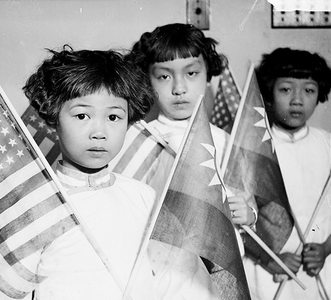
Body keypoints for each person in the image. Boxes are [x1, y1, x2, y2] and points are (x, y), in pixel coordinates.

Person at [116, 23, 257, 299]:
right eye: (164, 77)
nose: (179, 88)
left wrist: (248, 213)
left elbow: (248, 201)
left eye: (191, 73)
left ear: (207, 76)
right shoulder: (140, 140)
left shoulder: (226, 141)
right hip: (161, 270)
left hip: (218, 271)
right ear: (147, 80)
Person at [22, 45, 158, 300]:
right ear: (53, 117)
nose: (99, 132)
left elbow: (163, 279)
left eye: (114, 117)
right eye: (82, 115)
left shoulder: (143, 197)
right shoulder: (34, 202)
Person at [244, 47, 331, 300]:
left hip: (320, 270)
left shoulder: (327, 144)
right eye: (285, 89)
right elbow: (233, 218)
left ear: (320, 94)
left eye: (309, 90)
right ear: (269, 94)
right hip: (267, 272)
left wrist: (325, 249)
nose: (297, 100)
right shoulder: (253, 145)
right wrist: (267, 258)